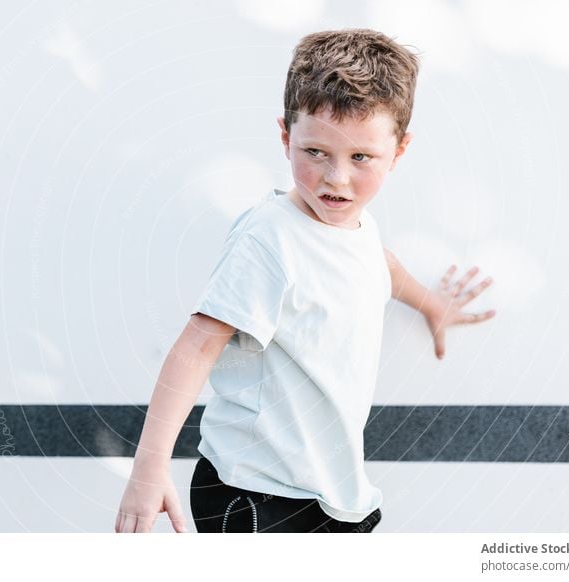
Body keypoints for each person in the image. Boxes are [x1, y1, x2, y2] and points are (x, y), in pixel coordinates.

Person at [115, 28, 496, 533]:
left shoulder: (356, 226)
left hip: (329, 494)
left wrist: (430, 304)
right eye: (315, 152)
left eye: (361, 158)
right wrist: (148, 469)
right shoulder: (268, 238)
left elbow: (380, 265)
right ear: (284, 136)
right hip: (255, 493)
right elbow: (195, 349)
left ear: (399, 151)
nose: (335, 178)